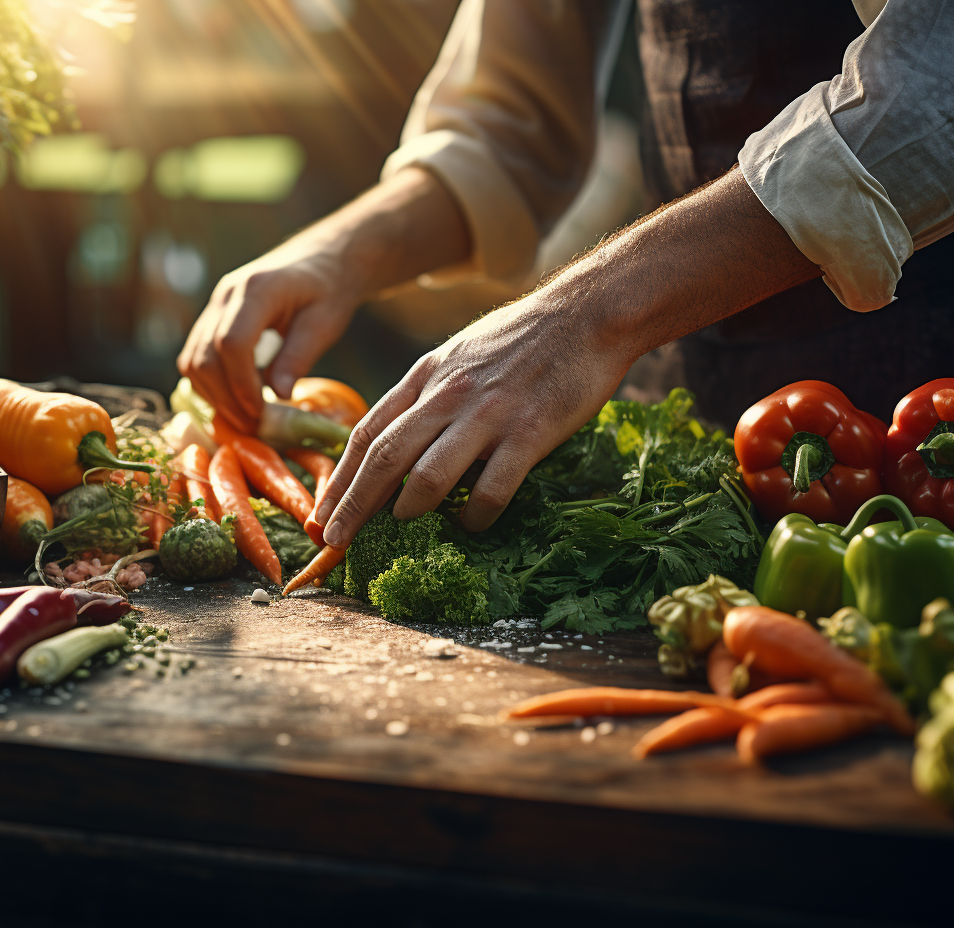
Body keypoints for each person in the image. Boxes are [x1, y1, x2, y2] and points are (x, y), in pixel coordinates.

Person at [177, 0, 954, 551]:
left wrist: (584, 315)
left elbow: (926, 96)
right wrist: (338, 251)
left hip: (930, 419)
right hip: (708, 417)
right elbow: (506, 123)